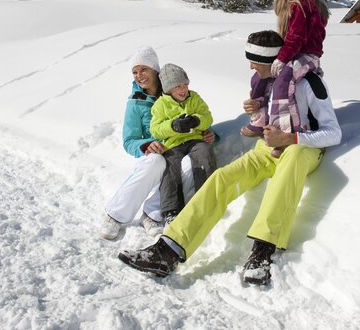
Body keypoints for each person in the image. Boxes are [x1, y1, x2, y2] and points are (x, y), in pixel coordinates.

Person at [118, 30, 342, 286]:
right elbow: (270, 121)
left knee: (290, 164)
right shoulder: (270, 83)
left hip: (302, 148)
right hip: (268, 149)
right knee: (222, 178)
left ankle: (262, 251)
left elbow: (332, 132)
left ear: (269, 61)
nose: (250, 66)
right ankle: (168, 249)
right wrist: (257, 114)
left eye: (254, 61)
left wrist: (291, 140)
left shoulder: (309, 83)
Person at [101, 47, 214, 240]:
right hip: (151, 156)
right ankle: (115, 216)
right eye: (135, 72)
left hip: (178, 147)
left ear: (155, 70)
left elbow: (198, 117)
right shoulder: (136, 102)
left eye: (143, 69)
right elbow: (129, 141)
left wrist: (209, 134)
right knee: (157, 162)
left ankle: (152, 214)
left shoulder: (175, 90)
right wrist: (146, 145)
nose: (139, 76)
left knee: (187, 164)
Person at [241, 0, 329, 158]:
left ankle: (285, 134)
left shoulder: (300, 4)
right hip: (298, 54)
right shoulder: (301, 5)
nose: (274, 2)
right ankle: (259, 120)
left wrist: (282, 59)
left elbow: (296, 37)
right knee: (261, 76)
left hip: (307, 56)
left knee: (282, 81)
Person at [150, 63, 217, 225]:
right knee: (170, 166)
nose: (183, 89)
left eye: (185, 85)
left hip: (195, 139)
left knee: (204, 153)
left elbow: (207, 117)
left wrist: (197, 120)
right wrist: (172, 126)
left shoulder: (194, 98)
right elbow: (155, 129)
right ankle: (171, 209)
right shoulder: (160, 105)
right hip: (173, 144)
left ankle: (207, 197)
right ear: (168, 89)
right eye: (178, 86)